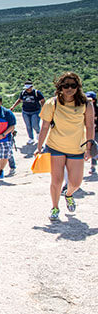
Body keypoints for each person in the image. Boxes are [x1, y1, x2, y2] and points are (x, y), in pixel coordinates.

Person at [36, 72, 95, 221]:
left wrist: (89, 147)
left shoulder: (86, 104)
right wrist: (39, 147)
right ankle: (55, 207)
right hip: (55, 146)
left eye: (73, 85)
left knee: (76, 182)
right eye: (66, 85)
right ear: (60, 87)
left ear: (78, 87)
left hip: (77, 148)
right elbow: (44, 127)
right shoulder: (52, 103)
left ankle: (68, 194)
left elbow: (89, 126)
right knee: (56, 180)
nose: (69, 88)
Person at [10, 80, 45, 144]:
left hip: (35, 111)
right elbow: (19, 100)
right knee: (28, 125)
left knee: (35, 124)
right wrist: (13, 107)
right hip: (25, 111)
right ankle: (31, 138)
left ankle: (38, 133)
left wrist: (43, 108)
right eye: (26, 88)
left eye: (29, 88)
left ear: (31, 87)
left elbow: (42, 100)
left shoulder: (36, 93)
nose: (27, 89)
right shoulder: (23, 93)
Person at [86, 91, 98, 175]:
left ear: (94, 100)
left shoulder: (97, 109)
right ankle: (93, 166)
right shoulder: (84, 109)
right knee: (93, 148)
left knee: (95, 148)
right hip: (89, 132)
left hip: (97, 131)